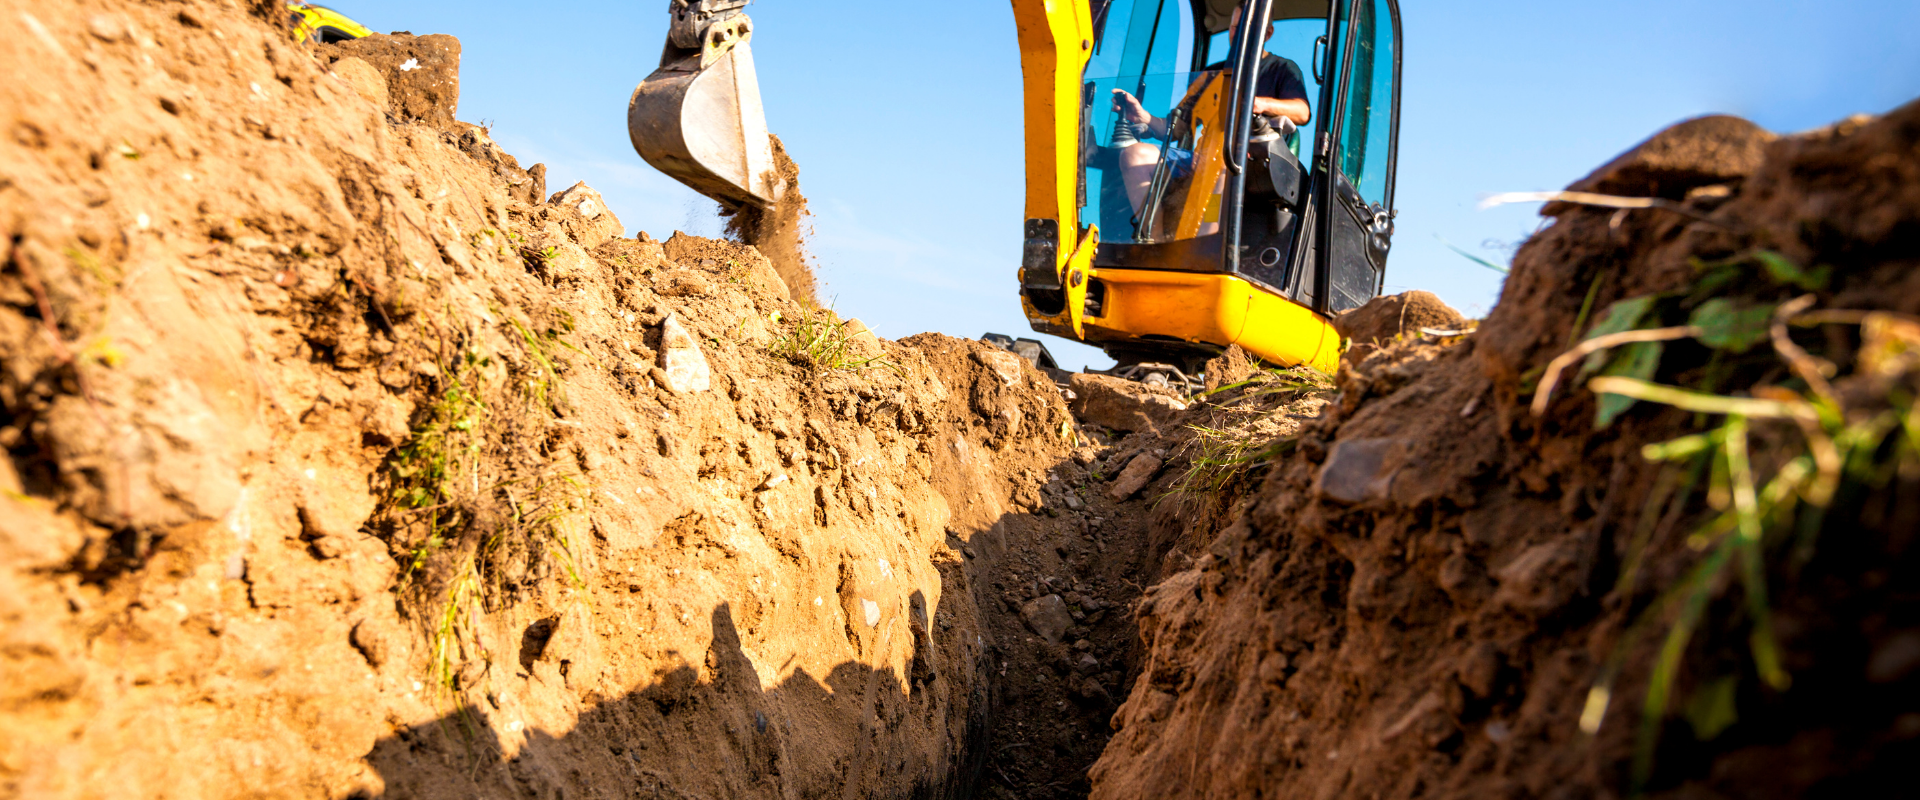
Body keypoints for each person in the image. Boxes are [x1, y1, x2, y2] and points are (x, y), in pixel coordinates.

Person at [1109, 3, 1311, 223]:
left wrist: (1258, 103)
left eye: (1247, 28)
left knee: (1220, 170)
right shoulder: (1210, 74)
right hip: (1201, 158)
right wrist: (1143, 117)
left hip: (1248, 166)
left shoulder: (1281, 69)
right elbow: (1176, 128)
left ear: (1267, 33)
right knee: (1133, 155)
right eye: (1235, 28)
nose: (1238, 34)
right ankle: (1153, 243)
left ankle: (1206, 251)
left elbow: (1302, 112)